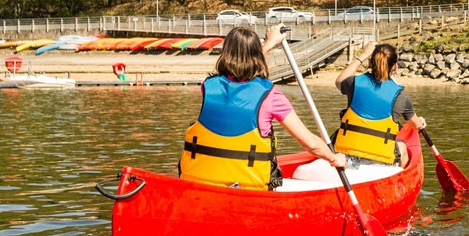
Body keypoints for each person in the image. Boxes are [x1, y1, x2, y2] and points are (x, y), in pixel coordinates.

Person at [180, 25, 345, 189]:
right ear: (256, 56)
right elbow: (310, 143)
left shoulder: (208, 86)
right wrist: (334, 158)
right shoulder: (271, 96)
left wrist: (269, 43)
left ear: (225, 52)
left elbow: (241, 74)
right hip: (247, 188)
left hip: (197, 181)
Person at [332, 40, 425, 169]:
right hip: (381, 161)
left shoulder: (353, 84)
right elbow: (416, 125)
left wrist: (364, 54)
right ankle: (396, 178)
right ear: (395, 67)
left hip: (345, 156)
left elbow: (339, 81)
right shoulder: (401, 97)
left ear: (370, 63)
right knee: (402, 146)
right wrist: (421, 122)